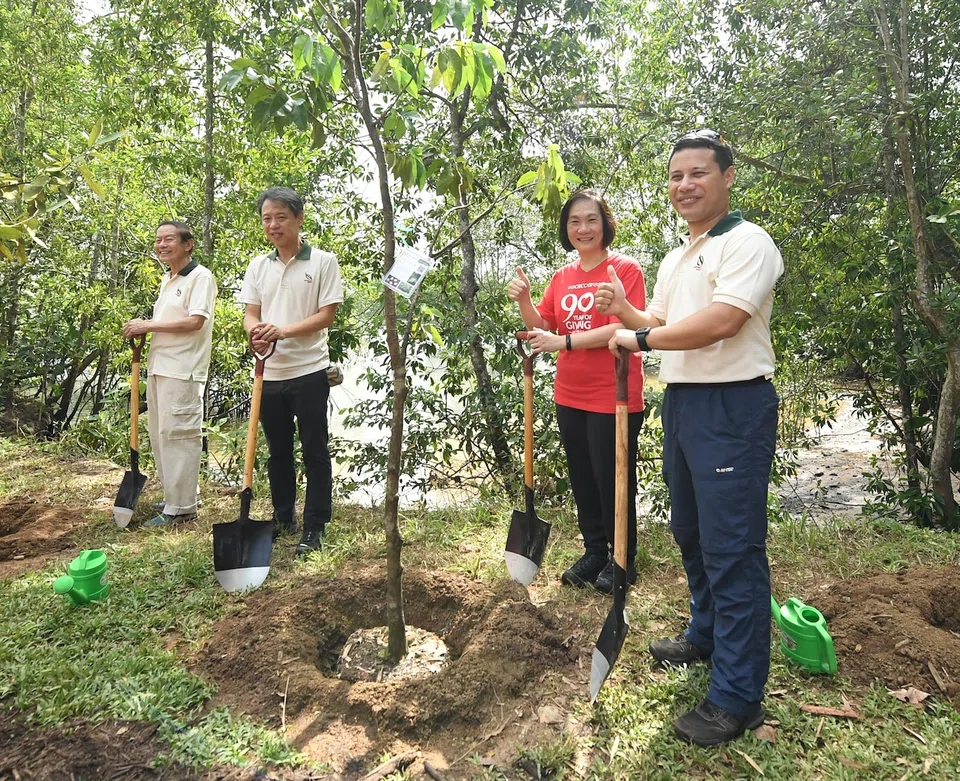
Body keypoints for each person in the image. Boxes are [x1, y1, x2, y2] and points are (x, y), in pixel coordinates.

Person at [598, 130, 784, 747]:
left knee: (732, 549)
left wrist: (645, 341)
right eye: (676, 176)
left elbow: (723, 322)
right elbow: (665, 322)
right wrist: (629, 315)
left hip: (733, 405)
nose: (685, 185)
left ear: (727, 177)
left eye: (698, 173)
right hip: (683, 405)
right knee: (690, 531)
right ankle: (705, 634)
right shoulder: (681, 254)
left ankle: (737, 697)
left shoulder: (747, 242)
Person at [507, 190, 645, 594]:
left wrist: (564, 342)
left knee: (613, 479)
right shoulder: (563, 277)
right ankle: (594, 552)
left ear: (605, 224)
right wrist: (526, 301)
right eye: (574, 222)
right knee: (583, 477)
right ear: (567, 230)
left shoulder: (624, 269)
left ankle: (623, 560)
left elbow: (623, 329)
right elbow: (541, 327)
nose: (583, 229)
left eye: (591, 220)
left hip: (613, 394)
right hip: (570, 393)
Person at [239, 187, 344, 557]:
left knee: (315, 450)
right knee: (277, 451)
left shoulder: (323, 262)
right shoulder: (258, 265)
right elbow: (251, 312)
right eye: (267, 218)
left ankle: (315, 525)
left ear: (299, 219)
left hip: (310, 370)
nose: (273, 224)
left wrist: (281, 330)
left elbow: (325, 316)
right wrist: (256, 332)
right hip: (269, 372)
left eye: (281, 217)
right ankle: (284, 518)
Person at [123, 220, 217, 526]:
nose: (162, 245)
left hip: (184, 371)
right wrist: (145, 328)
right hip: (160, 367)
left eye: (169, 239)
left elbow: (195, 322)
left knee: (180, 435)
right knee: (160, 433)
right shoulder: (169, 279)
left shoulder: (200, 277)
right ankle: (175, 497)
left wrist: (148, 325)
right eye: (158, 240)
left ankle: (183, 508)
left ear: (188, 244)